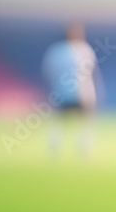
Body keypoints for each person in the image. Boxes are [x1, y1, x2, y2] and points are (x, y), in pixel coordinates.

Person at [41, 23, 101, 157]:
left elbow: (48, 72)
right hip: (79, 94)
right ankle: (83, 150)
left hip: (62, 94)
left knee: (60, 122)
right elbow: (91, 74)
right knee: (82, 122)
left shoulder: (56, 51)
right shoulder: (84, 50)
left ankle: (56, 149)